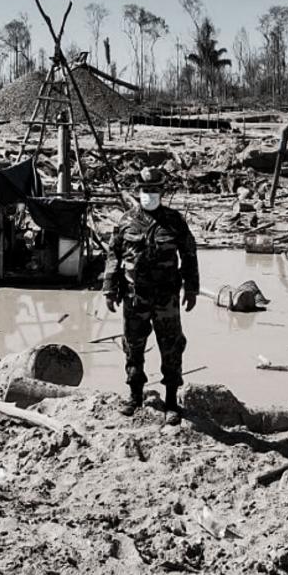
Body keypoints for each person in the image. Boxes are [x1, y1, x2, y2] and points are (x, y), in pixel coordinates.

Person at [103, 168, 199, 423]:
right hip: (135, 297)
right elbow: (114, 256)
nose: (150, 194)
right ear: (138, 191)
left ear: (162, 191)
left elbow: (189, 255)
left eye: (154, 190)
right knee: (133, 346)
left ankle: (170, 402)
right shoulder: (126, 221)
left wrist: (191, 288)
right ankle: (135, 396)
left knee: (172, 346)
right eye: (146, 190)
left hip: (166, 298)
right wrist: (109, 290)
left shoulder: (174, 221)